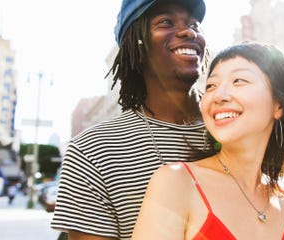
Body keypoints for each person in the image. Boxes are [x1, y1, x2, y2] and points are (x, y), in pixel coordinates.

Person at [51, 0, 208, 239]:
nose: (189, 31)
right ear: (136, 42)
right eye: (165, 22)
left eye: (194, 24)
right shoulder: (92, 151)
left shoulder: (240, 126)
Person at [132, 42, 284, 239]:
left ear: (278, 105)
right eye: (211, 85)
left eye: (239, 81)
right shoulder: (177, 182)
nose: (218, 96)